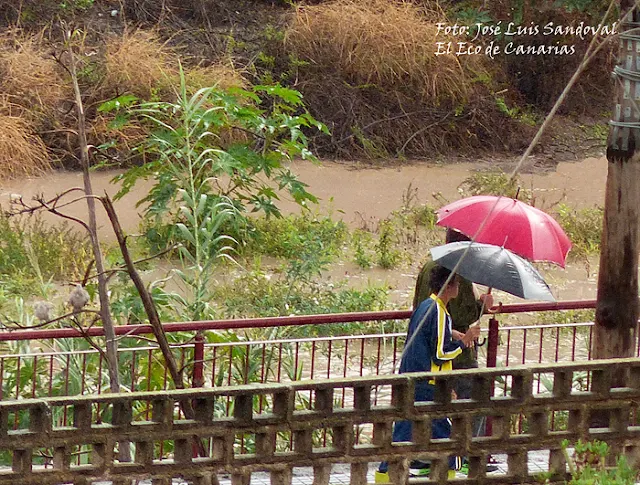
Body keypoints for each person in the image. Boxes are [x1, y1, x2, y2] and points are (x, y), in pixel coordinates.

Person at [376, 265, 481, 483]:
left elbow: (426, 334)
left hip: (411, 377)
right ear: (450, 286)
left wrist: (450, 333)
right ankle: (450, 474)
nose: (460, 287)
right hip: (427, 382)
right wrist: (464, 341)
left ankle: (384, 475)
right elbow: (440, 354)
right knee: (449, 433)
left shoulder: (427, 305)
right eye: (457, 283)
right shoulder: (440, 311)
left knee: (403, 431)